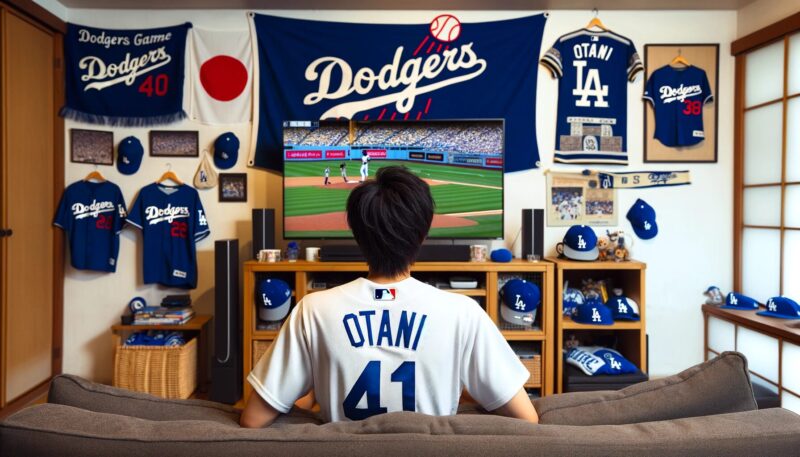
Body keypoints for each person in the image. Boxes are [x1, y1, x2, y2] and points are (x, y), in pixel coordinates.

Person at [240, 166, 538, 427]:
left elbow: (253, 419)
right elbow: (526, 417)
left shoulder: (313, 310)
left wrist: (318, 384)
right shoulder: (464, 312)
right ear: (422, 235)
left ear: (357, 235)